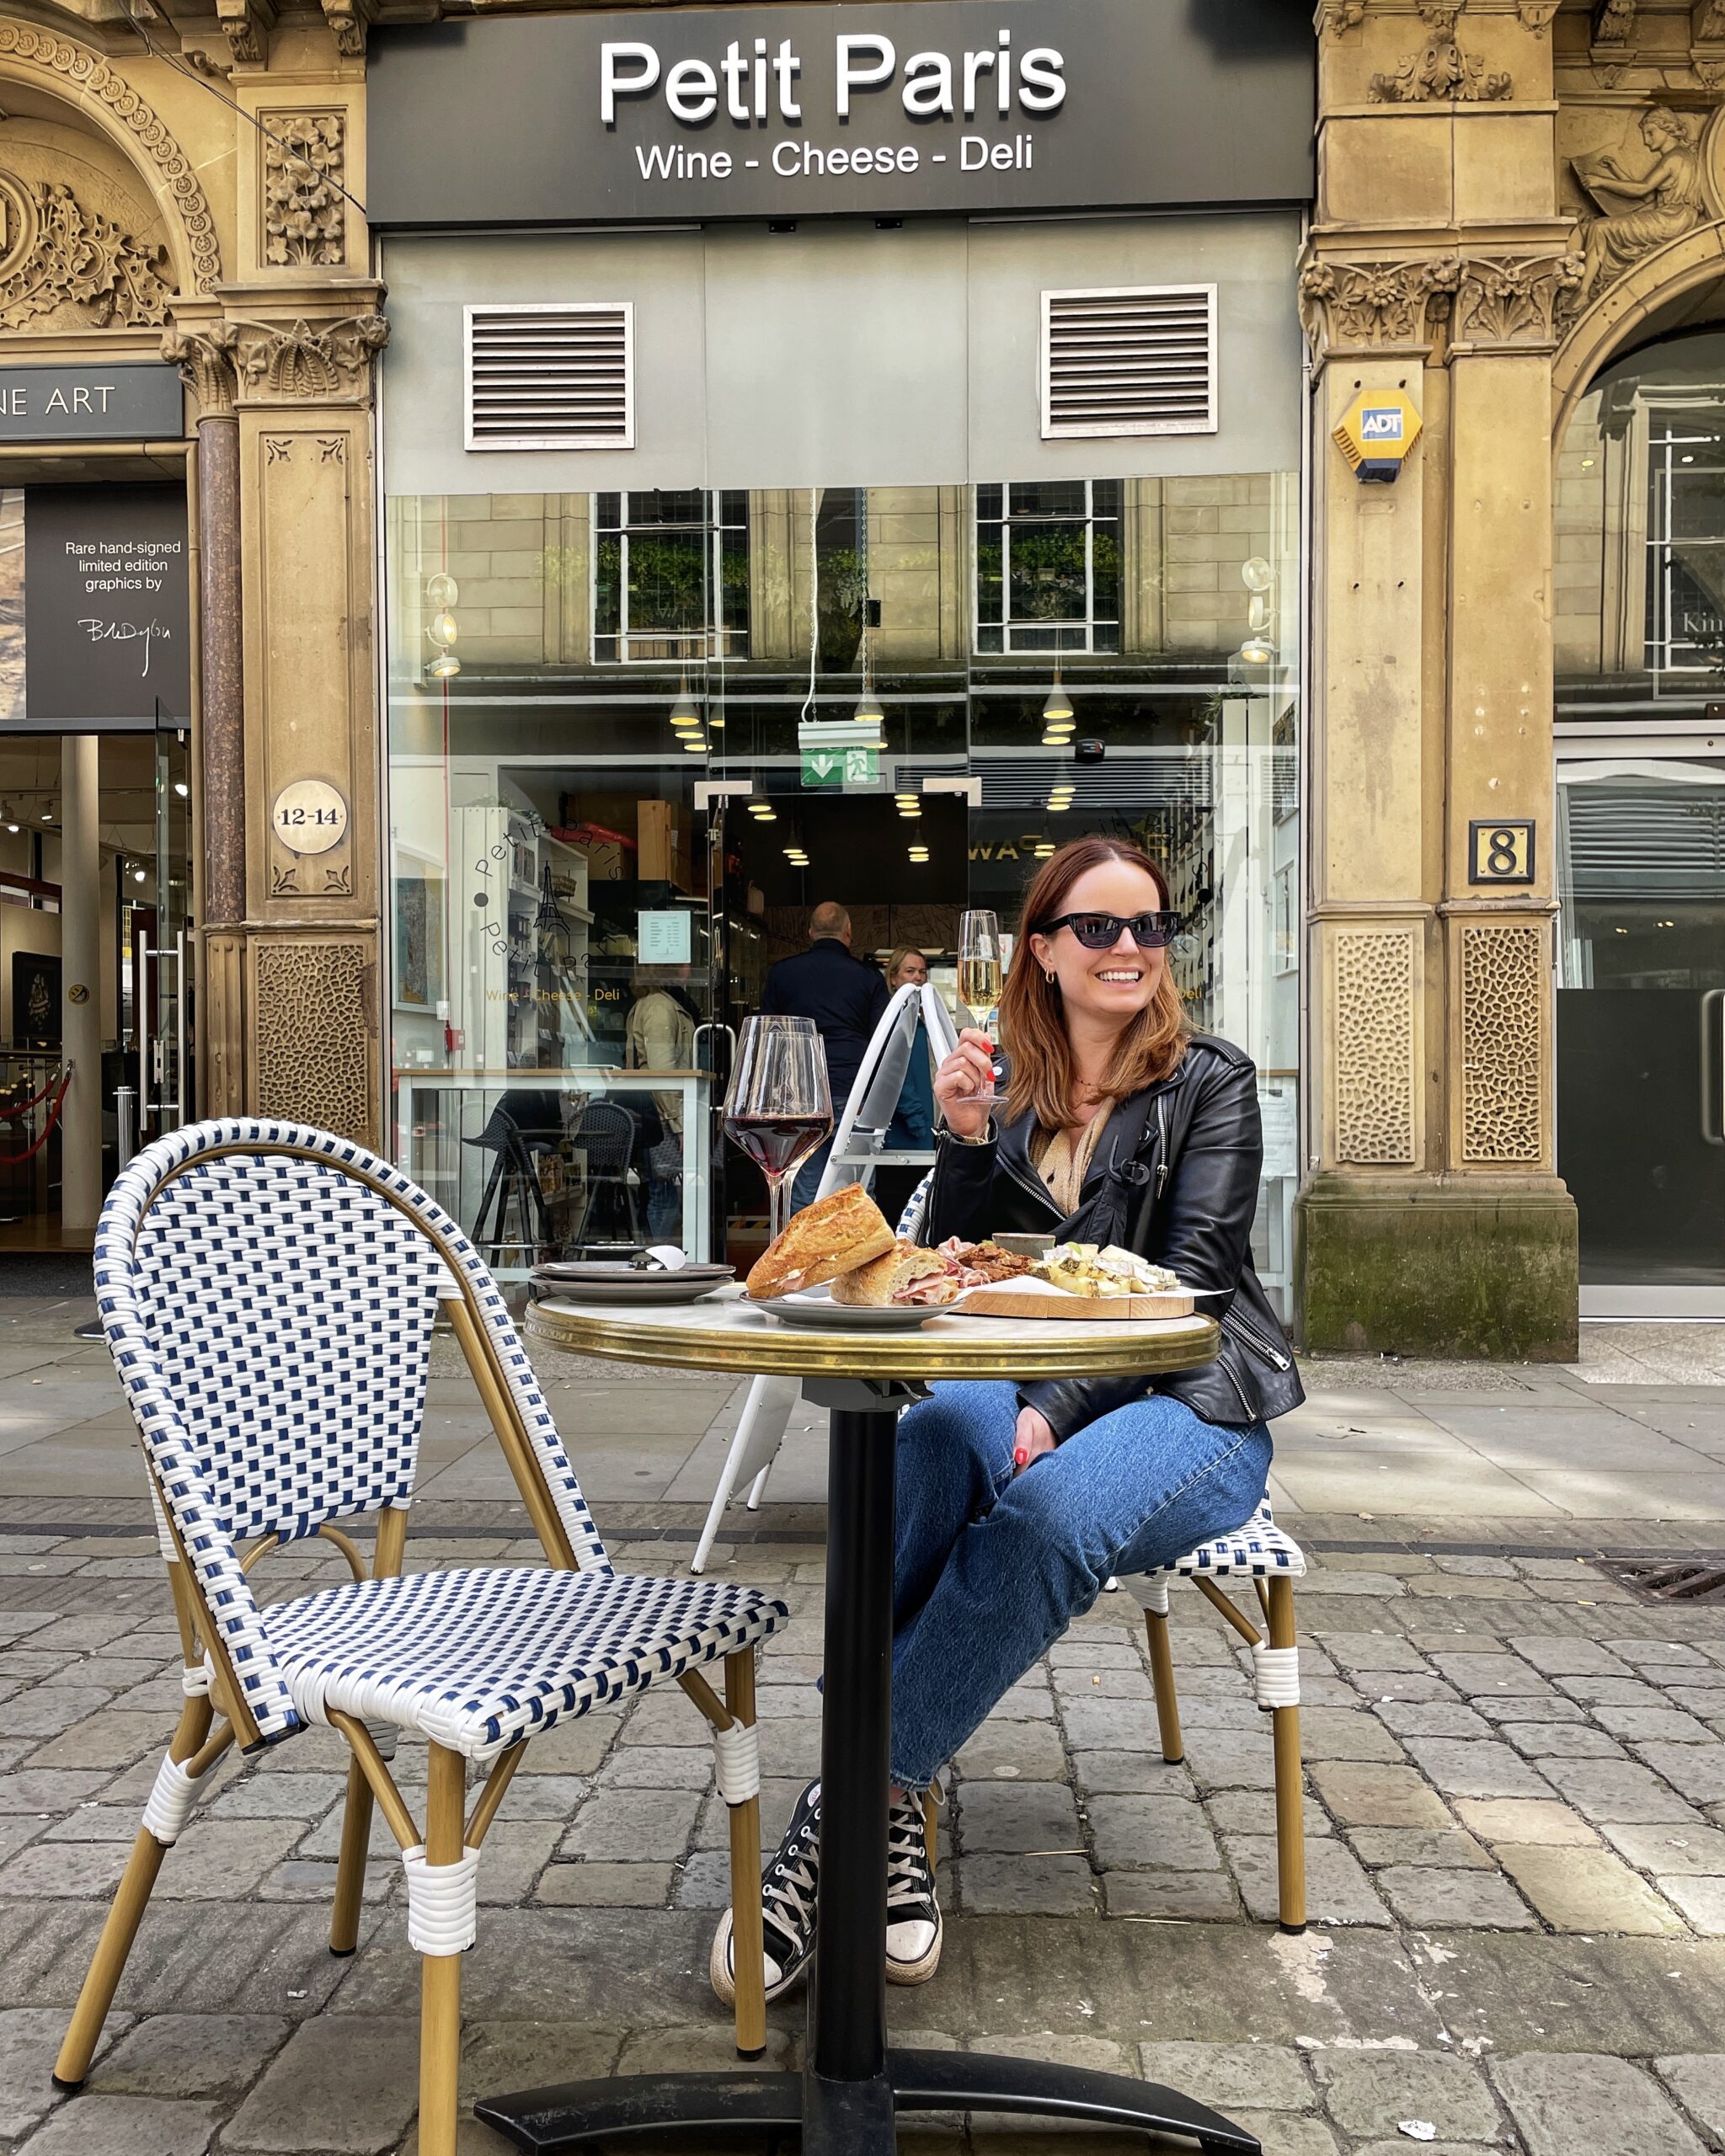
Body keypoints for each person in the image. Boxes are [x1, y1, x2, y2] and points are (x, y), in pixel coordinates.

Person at [709, 836, 1304, 2008]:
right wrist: (970, 1136)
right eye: (1099, 927)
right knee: (918, 1440)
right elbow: (971, 1266)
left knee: (1042, 1518)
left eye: (1148, 927)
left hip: (1193, 1398)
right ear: (1041, 947)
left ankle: (851, 1805)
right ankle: (885, 1805)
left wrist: (1047, 1417)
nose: (1129, 947)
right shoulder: (1014, 1080)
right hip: (1024, 1369)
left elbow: (1186, 1279)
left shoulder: (1211, 1083)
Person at [758, 900, 889, 1210]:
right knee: (858, 1188)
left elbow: (769, 1039)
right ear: (849, 932)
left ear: (810, 933)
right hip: (854, 1091)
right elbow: (882, 1040)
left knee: (804, 1184)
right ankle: (860, 1256)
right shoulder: (868, 977)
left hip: (801, 1095)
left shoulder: (782, 974)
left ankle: (807, 1256)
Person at [625, 969, 696, 1241]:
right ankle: (662, 1263)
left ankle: (659, 1258)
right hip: (660, 1114)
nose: (689, 968)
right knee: (664, 1195)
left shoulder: (650, 1004)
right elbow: (663, 1070)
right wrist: (679, 1124)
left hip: (652, 1112)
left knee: (660, 1192)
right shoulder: (659, 1007)